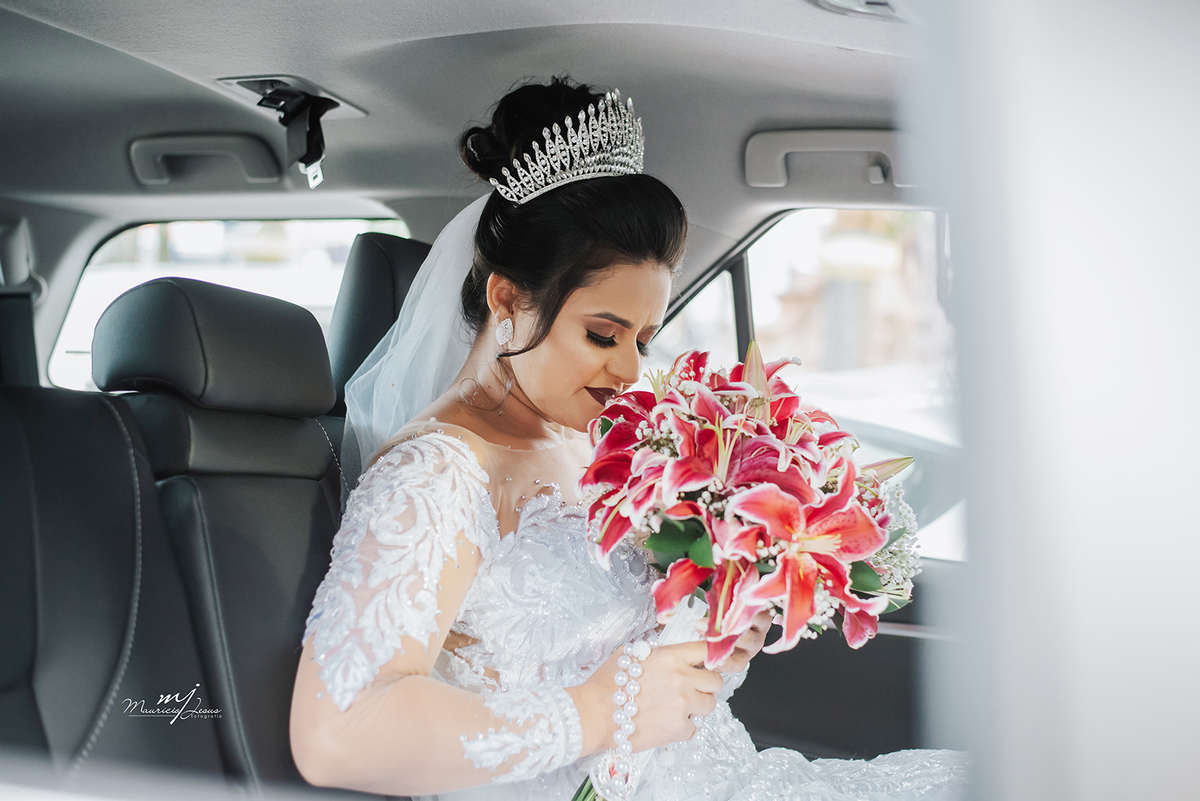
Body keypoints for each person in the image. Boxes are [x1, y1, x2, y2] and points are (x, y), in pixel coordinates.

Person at [290, 77, 967, 801]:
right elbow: (338, 733)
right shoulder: (437, 473)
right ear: (508, 298)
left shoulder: (595, 450)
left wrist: (716, 639)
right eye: (602, 334)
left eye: (643, 339)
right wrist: (595, 712)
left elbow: (638, 677)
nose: (630, 371)